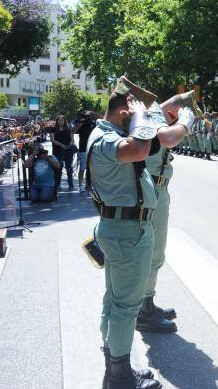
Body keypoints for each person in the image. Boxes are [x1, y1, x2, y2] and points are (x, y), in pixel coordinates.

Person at [89, 84, 160, 389]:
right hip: (127, 232)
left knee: (114, 301)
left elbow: (150, 144)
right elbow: (140, 148)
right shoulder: (106, 138)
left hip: (122, 228)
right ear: (123, 113)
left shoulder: (109, 134)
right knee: (125, 307)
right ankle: (120, 377)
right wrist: (141, 113)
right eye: (130, 117)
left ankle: (115, 369)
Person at [134, 84, 198, 334]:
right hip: (152, 189)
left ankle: (146, 303)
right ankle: (143, 310)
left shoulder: (154, 112)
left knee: (153, 251)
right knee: (153, 252)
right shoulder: (154, 113)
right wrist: (186, 121)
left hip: (154, 187)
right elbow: (168, 138)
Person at [73, 111, 97, 193]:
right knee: (82, 167)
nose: (88, 118)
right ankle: (80, 186)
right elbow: (73, 131)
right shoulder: (81, 124)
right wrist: (81, 123)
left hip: (93, 149)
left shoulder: (94, 124)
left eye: (89, 116)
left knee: (92, 168)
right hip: (83, 149)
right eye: (86, 116)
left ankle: (90, 185)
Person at [51, 115, 75, 189]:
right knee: (58, 168)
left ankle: (71, 184)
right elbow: (53, 140)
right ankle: (58, 184)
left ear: (65, 121)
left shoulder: (68, 129)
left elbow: (72, 139)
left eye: (62, 120)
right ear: (57, 121)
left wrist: (69, 145)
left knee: (69, 168)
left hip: (67, 150)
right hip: (57, 151)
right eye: (59, 120)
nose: (61, 121)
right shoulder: (53, 129)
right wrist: (62, 145)